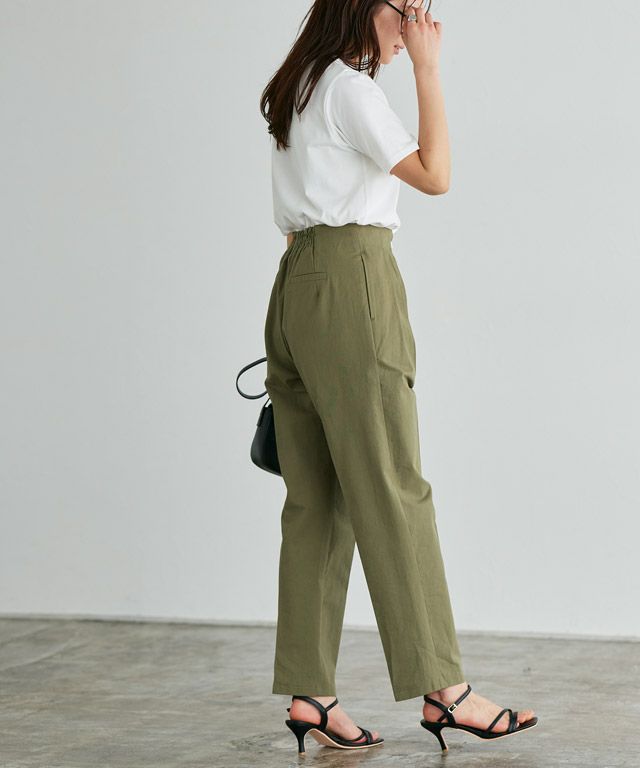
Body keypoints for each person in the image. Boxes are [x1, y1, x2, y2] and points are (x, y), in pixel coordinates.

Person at [259, 0, 538, 754]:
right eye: (406, 7)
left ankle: (311, 694)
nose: (418, 19)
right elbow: (436, 176)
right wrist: (428, 70)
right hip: (353, 278)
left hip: (296, 286)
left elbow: (297, 213)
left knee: (316, 499)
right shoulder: (351, 90)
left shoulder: (302, 84)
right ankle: (446, 692)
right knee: (392, 484)